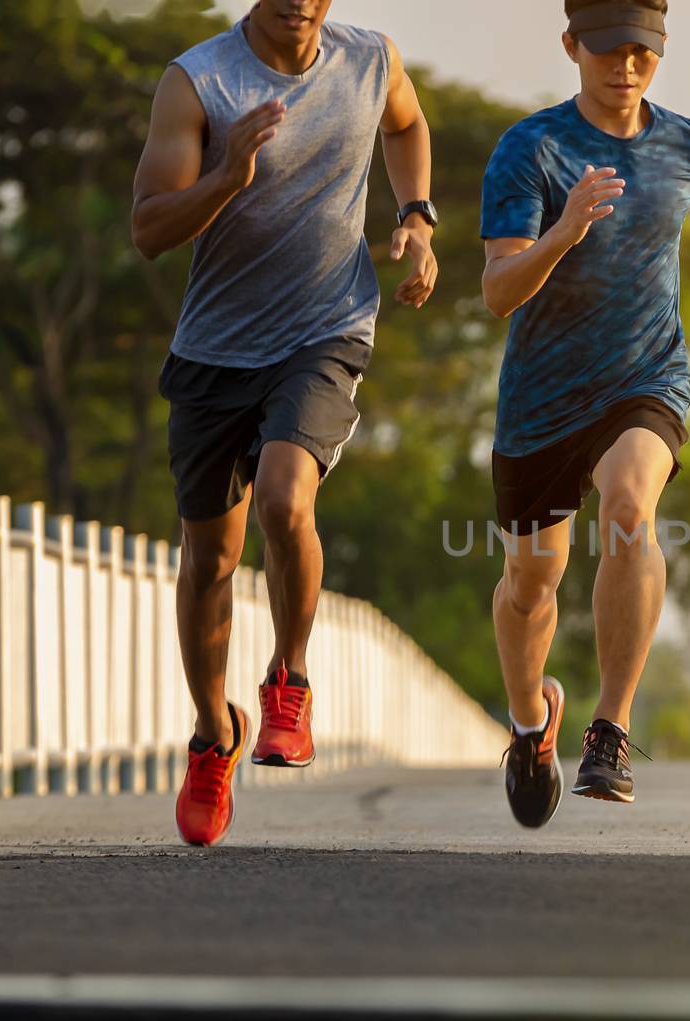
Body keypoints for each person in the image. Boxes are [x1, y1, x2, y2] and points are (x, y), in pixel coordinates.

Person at [130, 0, 439, 846]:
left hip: (325, 330)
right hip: (215, 349)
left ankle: (288, 679)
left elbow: (407, 127)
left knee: (284, 498)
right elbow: (149, 228)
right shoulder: (198, 81)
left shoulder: (370, 60)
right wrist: (226, 177)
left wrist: (416, 214)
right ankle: (211, 732)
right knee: (210, 559)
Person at [481, 0, 690, 828]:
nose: (623, 67)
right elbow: (497, 293)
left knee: (631, 509)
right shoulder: (532, 148)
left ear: (659, 51)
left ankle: (610, 728)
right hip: (542, 400)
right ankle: (533, 721)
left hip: (646, 379)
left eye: (639, 51)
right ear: (572, 46)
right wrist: (562, 231)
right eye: (606, 50)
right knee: (532, 584)